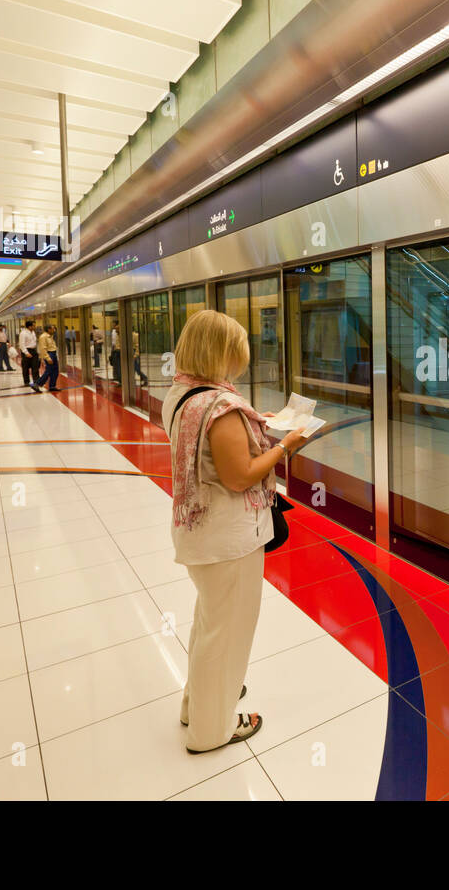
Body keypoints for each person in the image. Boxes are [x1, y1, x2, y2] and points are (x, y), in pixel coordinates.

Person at [163, 310, 307, 753]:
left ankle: (197, 706)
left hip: (200, 534)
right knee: (227, 635)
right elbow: (240, 476)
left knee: (210, 625)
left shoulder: (182, 393)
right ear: (221, 353)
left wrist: (250, 426)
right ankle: (212, 730)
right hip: (230, 538)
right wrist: (284, 445)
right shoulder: (220, 407)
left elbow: (212, 448)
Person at [31, 324, 60, 393]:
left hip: (53, 353)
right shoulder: (43, 337)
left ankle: (52, 386)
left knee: (55, 371)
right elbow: (43, 349)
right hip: (49, 354)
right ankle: (37, 384)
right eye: (53, 329)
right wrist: (48, 358)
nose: (54, 330)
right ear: (49, 329)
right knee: (49, 371)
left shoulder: (50, 336)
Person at [18, 320, 40, 386]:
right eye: (34, 325)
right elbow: (22, 344)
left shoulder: (33, 332)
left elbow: (34, 342)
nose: (35, 327)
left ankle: (36, 381)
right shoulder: (23, 333)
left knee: (35, 367)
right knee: (25, 367)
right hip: (26, 351)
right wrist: (26, 353)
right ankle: (26, 382)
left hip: (33, 350)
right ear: (29, 326)